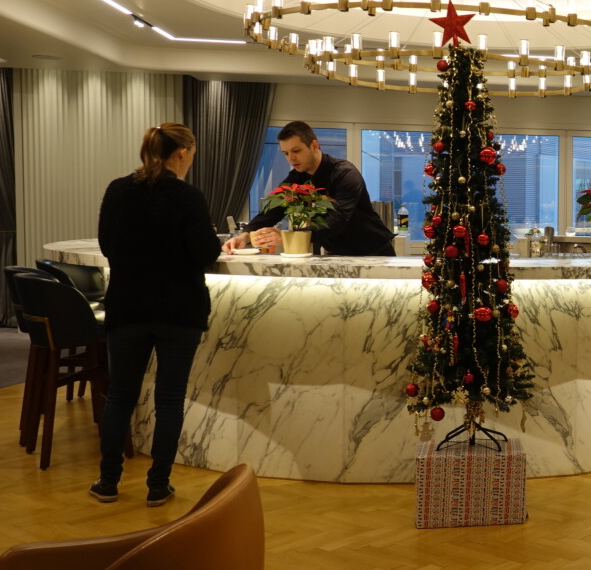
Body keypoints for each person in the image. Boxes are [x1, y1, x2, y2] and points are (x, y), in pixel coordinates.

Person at [93, 122, 220, 506]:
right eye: (192, 154)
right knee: (168, 400)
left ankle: (108, 482)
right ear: (181, 153)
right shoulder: (188, 197)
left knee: (119, 397)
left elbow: (106, 245)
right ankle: (157, 486)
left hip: (128, 306)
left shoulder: (118, 190)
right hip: (179, 311)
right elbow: (206, 255)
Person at [224, 120, 396, 256]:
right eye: (285, 153)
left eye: (296, 151)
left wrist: (285, 236)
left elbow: (336, 221)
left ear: (314, 146)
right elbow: (272, 210)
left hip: (374, 252)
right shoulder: (296, 178)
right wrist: (244, 236)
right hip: (337, 254)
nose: (291, 158)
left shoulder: (345, 173)